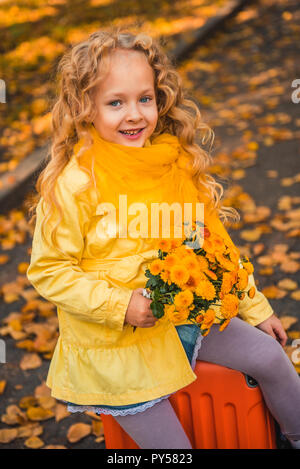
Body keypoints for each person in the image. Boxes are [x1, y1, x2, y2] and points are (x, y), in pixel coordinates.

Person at [26, 27, 300, 449]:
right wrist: (122, 306)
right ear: (85, 109)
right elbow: (49, 270)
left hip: (183, 319)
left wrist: (254, 307)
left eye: (145, 98)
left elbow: (210, 246)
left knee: (269, 356)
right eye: (115, 102)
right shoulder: (75, 184)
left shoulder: (170, 162)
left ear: (160, 98)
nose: (134, 114)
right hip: (121, 348)